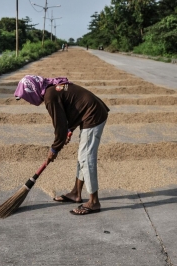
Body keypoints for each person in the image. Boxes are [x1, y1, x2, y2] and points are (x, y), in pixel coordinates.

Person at [14, 75, 109, 215]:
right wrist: (68, 130)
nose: (28, 101)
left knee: (86, 158)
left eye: (26, 97)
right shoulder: (53, 89)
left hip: (93, 114)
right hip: (91, 111)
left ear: (31, 90)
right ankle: (76, 193)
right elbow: (72, 105)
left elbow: (59, 127)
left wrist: (54, 148)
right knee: (82, 157)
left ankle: (94, 202)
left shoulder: (50, 96)